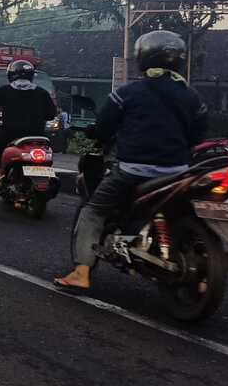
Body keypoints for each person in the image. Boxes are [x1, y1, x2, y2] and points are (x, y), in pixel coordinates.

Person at [56, 31, 208, 291]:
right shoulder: (191, 96)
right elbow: (198, 134)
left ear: (143, 57)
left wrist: (95, 133)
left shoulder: (128, 93)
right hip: (178, 172)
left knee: (93, 212)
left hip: (132, 170)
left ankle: (81, 273)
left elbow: (104, 126)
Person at [0, 59, 58, 180]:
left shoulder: (4, 91)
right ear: (32, 75)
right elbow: (51, 115)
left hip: (10, 133)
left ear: (11, 75)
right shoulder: (42, 92)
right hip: (37, 134)